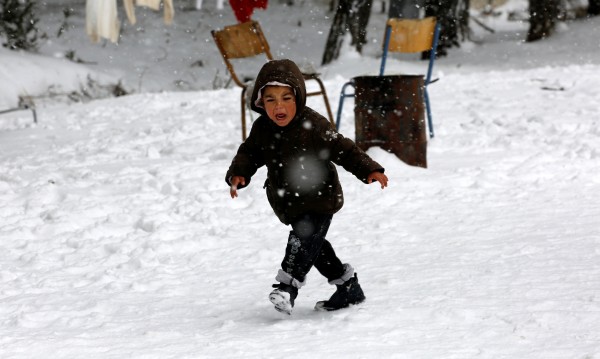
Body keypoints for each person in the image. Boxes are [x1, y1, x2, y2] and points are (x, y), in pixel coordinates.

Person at [225, 59, 388, 315]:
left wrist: (369, 168)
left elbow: (342, 148)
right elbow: (249, 153)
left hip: (320, 197)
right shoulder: (262, 129)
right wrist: (239, 174)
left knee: (302, 239)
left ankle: (287, 287)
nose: (279, 106)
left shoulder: (313, 124)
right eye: (270, 100)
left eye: (286, 98)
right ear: (260, 102)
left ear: (298, 98)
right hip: (288, 201)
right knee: (315, 247)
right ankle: (348, 288)